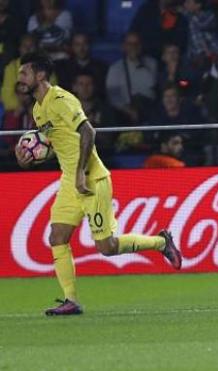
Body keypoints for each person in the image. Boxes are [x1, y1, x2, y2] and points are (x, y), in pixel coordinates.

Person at [14, 51, 182, 316]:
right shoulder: (37, 109)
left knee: (107, 248)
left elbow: (88, 131)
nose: (19, 77)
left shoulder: (61, 100)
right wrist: (29, 160)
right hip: (70, 180)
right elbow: (59, 145)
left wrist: (81, 172)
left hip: (91, 179)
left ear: (41, 75)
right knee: (57, 237)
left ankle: (161, 243)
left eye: (24, 72)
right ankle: (70, 300)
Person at [106, 32, 158, 124]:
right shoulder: (115, 69)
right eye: (129, 44)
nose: (133, 47)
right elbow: (114, 97)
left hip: (151, 111)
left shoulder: (152, 64)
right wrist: (129, 110)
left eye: (136, 44)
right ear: (124, 46)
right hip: (124, 114)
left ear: (141, 46)